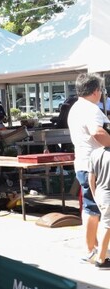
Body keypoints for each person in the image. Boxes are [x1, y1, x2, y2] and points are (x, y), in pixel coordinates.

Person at [68, 73, 110, 263]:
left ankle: (92, 248)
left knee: (90, 209)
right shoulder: (91, 110)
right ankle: (96, 252)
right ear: (95, 91)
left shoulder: (76, 108)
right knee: (99, 210)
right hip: (96, 167)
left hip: (83, 163)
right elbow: (97, 132)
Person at [88, 146, 110, 269]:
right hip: (108, 195)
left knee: (105, 224)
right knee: (107, 226)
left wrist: (94, 194)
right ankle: (101, 259)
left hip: (100, 193)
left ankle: (101, 254)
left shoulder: (95, 153)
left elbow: (91, 177)